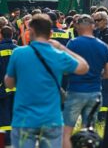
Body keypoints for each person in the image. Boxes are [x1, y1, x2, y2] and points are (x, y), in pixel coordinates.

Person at [4, 15, 89, 148]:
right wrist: (62, 47)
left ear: (30, 32)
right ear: (50, 33)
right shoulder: (57, 55)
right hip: (51, 120)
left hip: (24, 119)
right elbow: (84, 67)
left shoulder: (18, 53)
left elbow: (9, 83)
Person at [63, 15, 108, 148]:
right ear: (93, 26)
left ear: (78, 27)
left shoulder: (73, 44)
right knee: (89, 131)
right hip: (95, 92)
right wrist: (96, 75)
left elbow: (66, 69)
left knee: (66, 132)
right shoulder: (103, 46)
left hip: (75, 90)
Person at [0, 26, 17, 144]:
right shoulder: (19, 50)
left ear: (1, 35)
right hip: (18, 88)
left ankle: (5, 140)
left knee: (4, 114)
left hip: (3, 87)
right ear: (12, 35)